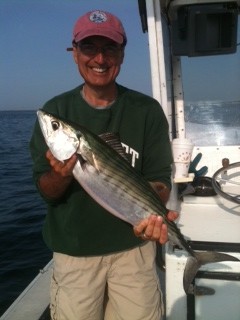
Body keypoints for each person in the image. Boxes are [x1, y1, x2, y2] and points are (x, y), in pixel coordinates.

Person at [30, 10, 178, 320]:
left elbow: (160, 180)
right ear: (75, 53)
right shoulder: (56, 109)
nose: (100, 58)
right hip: (75, 255)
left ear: (122, 53)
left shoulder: (147, 110)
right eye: (89, 48)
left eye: (110, 48)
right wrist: (60, 176)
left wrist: (155, 209)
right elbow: (46, 190)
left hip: (134, 250)